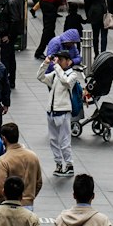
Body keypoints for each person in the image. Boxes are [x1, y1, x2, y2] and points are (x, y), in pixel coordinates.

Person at [37, 49, 82, 177]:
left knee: (64, 140)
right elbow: (41, 77)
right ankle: (58, 163)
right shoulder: (56, 73)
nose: (58, 61)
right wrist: (45, 64)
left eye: (61, 60)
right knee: (53, 140)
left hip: (63, 112)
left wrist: (56, 66)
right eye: (58, 59)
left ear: (68, 62)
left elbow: (66, 82)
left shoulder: (72, 75)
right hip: (51, 111)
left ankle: (69, 165)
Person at [0, 121, 43, 206]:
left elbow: (0, 186)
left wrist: (1, 200)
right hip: (28, 203)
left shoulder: (3, 160)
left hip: (9, 204)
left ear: (4, 138)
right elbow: (39, 182)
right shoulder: (32, 156)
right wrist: (30, 197)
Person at [0, 0, 22, 88]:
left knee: (7, 58)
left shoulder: (10, 2)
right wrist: (0, 21)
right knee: (9, 57)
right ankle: (9, 80)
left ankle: (7, 80)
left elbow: (15, 20)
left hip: (7, 37)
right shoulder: (11, 1)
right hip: (8, 35)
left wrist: (9, 36)